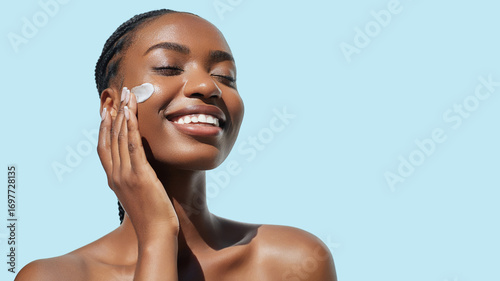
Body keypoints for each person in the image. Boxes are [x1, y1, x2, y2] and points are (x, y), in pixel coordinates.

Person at [15, 9, 337, 280]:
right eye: (168, 67)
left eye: (225, 76)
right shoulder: (54, 276)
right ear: (112, 107)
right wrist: (156, 236)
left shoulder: (292, 262)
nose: (207, 86)